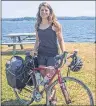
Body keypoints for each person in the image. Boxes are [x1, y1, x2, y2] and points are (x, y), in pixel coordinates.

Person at [33, 2, 65, 105]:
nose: (44, 12)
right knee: (45, 80)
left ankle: (53, 99)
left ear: (50, 11)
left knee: (50, 79)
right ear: (39, 12)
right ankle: (49, 99)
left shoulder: (55, 24)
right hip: (41, 55)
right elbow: (37, 41)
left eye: (46, 10)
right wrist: (34, 50)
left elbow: (60, 40)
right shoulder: (37, 25)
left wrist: (63, 52)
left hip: (53, 56)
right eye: (42, 10)